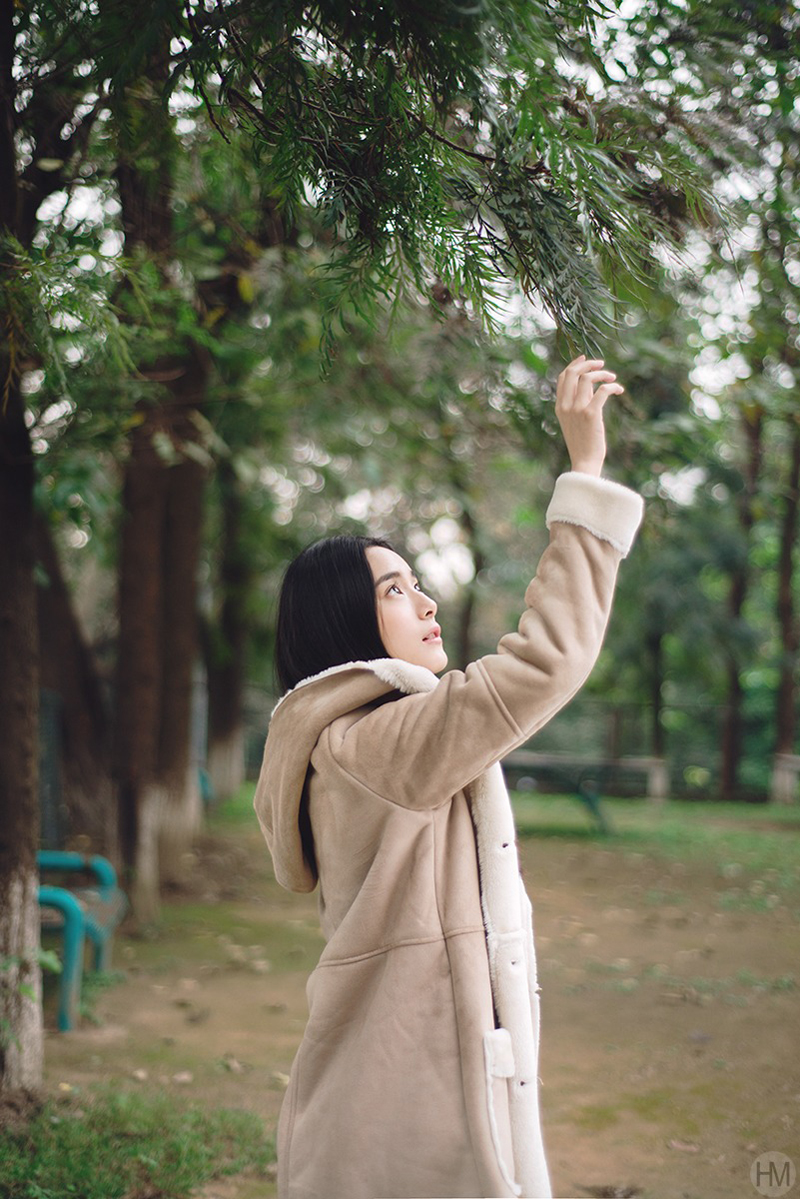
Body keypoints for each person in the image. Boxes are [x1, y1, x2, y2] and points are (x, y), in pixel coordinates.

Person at [254, 355, 645, 1199]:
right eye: (398, 589)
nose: (427, 603)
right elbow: (543, 663)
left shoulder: (347, 742)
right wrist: (585, 475)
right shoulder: (378, 744)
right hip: (403, 1088)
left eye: (420, 582)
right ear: (348, 619)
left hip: (382, 1074)